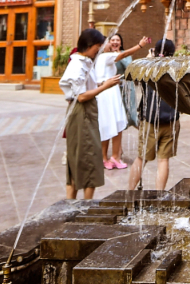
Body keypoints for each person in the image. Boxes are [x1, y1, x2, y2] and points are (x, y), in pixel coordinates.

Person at [60, 28, 121, 200]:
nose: (99, 50)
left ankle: (73, 205)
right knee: (88, 160)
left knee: (81, 159)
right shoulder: (77, 64)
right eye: (97, 47)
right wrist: (105, 86)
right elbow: (81, 96)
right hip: (81, 114)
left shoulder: (85, 61)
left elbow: (87, 87)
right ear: (89, 45)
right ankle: (84, 207)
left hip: (86, 113)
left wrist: (103, 82)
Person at [127, 39, 180, 191]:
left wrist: (148, 60)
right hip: (170, 119)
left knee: (141, 158)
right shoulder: (177, 68)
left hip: (150, 120)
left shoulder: (147, 67)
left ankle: (130, 192)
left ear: (155, 51)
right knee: (163, 160)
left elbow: (136, 79)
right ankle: (160, 195)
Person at [94, 32, 150, 170]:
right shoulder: (106, 56)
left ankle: (110, 156)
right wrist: (139, 45)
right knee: (113, 124)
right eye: (109, 41)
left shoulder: (99, 58)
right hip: (109, 93)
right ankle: (112, 157)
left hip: (109, 92)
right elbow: (123, 55)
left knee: (112, 124)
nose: (111, 44)